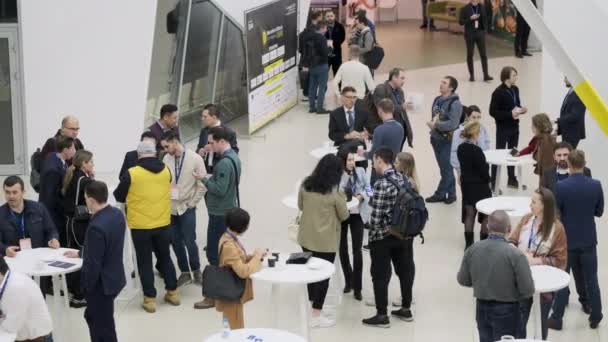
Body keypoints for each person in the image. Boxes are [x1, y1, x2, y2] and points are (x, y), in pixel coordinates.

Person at [113, 141, 180, 313]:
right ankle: (173, 292)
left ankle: (150, 299)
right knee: (165, 257)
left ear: (139, 154)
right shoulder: (166, 170)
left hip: (140, 226)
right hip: (163, 223)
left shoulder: (132, 173)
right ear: (155, 153)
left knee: (144, 262)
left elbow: (119, 195)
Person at [457, 210, 535, 342]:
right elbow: (528, 290)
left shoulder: (472, 250)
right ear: (509, 229)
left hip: (481, 308)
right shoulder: (516, 255)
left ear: (487, 226)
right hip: (508, 311)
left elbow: (463, 280)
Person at [64, 181, 126, 342]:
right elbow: (107, 247)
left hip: (101, 287)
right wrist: (81, 253)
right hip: (115, 279)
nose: (85, 202)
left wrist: (85, 289)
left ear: (91, 200)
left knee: (102, 330)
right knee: (97, 318)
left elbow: (93, 266)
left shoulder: (96, 226)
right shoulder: (117, 214)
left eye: (85, 199)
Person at [550, 150, 604, 330]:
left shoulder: (561, 186)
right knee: (592, 280)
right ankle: (595, 315)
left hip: (567, 241)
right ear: (584, 163)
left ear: (570, 165)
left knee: (563, 279)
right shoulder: (596, 185)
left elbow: (557, 213)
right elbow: (599, 211)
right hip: (588, 240)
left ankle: (557, 318)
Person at [362, 147, 415, 328]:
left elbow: (375, 219)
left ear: (378, 160)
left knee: (380, 275)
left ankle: (382, 315)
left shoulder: (381, 184)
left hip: (383, 238)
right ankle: (406, 309)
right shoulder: (405, 178)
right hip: (404, 235)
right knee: (405, 271)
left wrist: (371, 230)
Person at [298, 154, 349, 328]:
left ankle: (310, 304)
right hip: (326, 241)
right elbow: (344, 215)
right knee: (323, 276)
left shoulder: (306, 184)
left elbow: (300, 206)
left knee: (309, 273)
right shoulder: (336, 191)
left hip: (305, 236)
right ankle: (316, 314)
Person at [508, 188, 567, 340]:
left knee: (541, 323)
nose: (530, 205)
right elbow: (511, 240)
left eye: (534, 202)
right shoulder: (526, 219)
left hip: (544, 284)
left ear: (544, 205)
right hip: (521, 280)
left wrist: (537, 260)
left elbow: (561, 261)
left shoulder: (557, 228)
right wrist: (514, 250)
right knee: (519, 322)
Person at [193, 126, 241, 310]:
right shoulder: (235, 159)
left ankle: (212, 296)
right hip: (228, 209)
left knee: (214, 254)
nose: (209, 146)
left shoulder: (223, 164)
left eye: (212, 142)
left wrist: (204, 179)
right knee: (226, 252)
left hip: (219, 213)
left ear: (222, 141)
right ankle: (226, 290)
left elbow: (220, 190)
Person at [160, 131, 206, 286]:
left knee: (189, 241)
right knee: (176, 241)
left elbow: (202, 185)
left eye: (167, 146)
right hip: (171, 208)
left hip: (187, 208)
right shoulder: (166, 159)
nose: (165, 150)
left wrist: (192, 204)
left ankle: (196, 270)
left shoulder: (195, 159)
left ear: (174, 142)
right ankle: (185, 272)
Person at [215, 208, 265, 329]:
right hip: (232, 293)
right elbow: (243, 272)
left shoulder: (227, 237)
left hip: (229, 292)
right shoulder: (229, 245)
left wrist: (254, 257)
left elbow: (236, 260)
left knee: (229, 326)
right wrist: (257, 257)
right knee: (235, 328)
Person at [62, 149, 95, 308]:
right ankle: (78, 295)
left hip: (70, 221)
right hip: (80, 223)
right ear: (84, 163)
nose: (93, 164)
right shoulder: (85, 181)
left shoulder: (73, 174)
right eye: (91, 162)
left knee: (73, 254)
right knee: (80, 256)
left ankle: (74, 289)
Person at [337, 147, 371, 301]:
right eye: (349, 160)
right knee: (342, 248)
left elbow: (370, 190)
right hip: (342, 214)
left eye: (353, 159)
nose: (352, 163)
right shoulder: (337, 176)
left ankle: (358, 287)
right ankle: (348, 280)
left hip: (357, 214)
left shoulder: (361, 172)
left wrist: (362, 196)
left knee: (357, 250)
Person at [0, 176, 59, 257]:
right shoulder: (1, 214)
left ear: (23, 192)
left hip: (38, 257)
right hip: (14, 259)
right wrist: (5, 249)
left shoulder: (39, 208)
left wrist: (53, 239)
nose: (11, 196)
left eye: (14, 192)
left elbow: (51, 230)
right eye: (7, 192)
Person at [426, 76, 463, 204]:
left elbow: (453, 124)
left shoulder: (456, 104)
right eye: (441, 81)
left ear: (451, 88)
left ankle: (440, 194)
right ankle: (452, 194)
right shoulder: (437, 99)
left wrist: (436, 125)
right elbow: (434, 116)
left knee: (446, 169)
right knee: (444, 168)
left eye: (444, 83)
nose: (441, 84)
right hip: (436, 139)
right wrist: (433, 125)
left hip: (448, 141)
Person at [490, 66, 528, 189]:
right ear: (506, 77)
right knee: (499, 154)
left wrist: (521, 109)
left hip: (515, 127)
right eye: (514, 75)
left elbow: (516, 104)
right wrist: (509, 114)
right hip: (503, 128)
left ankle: (512, 179)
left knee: (513, 152)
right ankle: (493, 181)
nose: (516, 77)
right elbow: (493, 112)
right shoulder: (498, 92)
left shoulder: (515, 89)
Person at [0, 256, 53, 341]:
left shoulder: (16, 287)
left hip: (36, 338)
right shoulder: (8, 278)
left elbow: (12, 326)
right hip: (22, 332)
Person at [457, 122, 492, 249]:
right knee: (486, 215)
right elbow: (483, 172)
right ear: (476, 134)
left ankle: (469, 244)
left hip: (467, 185)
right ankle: (483, 244)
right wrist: (489, 179)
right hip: (481, 187)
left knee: (469, 213)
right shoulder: (477, 151)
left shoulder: (461, 148)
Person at [39, 136, 77, 246]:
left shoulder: (55, 157)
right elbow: (51, 198)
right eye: (73, 149)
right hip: (53, 215)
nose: (75, 152)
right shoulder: (53, 171)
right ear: (66, 150)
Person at [359, 99, 404, 185]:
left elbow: (373, 154)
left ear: (380, 110)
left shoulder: (379, 130)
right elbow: (389, 138)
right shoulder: (400, 127)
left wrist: (363, 153)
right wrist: (370, 136)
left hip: (379, 170)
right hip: (394, 167)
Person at [370, 68, 413, 150]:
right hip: (387, 132)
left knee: (396, 160)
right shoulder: (381, 89)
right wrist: (402, 107)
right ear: (394, 77)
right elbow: (382, 108)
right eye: (402, 78)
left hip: (400, 131)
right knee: (384, 158)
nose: (403, 81)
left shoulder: (400, 91)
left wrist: (408, 131)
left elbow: (402, 113)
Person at [196, 104, 239, 174]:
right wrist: (199, 151)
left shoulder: (229, 132)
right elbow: (199, 147)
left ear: (214, 117)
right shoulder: (204, 131)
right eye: (202, 116)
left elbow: (234, 153)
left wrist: (216, 149)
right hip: (204, 170)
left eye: (205, 117)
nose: (202, 119)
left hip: (220, 170)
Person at [516, 113, 556, 187]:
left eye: (533, 125)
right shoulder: (540, 138)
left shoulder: (545, 141)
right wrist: (519, 153)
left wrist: (542, 188)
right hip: (545, 174)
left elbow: (547, 166)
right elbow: (531, 148)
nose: (531, 127)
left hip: (547, 177)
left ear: (538, 127)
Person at [450, 105, 491, 176]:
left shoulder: (482, 129)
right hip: (464, 170)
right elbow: (454, 153)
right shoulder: (458, 132)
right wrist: (459, 171)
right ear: (467, 117)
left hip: (481, 167)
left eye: (478, 117)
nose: (476, 120)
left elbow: (486, 145)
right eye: (474, 117)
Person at [459, 0, 493, 82]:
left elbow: (485, 18)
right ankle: (472, 75)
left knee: (483, 55)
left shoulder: (482, 7)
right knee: (470, 54)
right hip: (469, 34)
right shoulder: (464, 8)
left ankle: (486, 75)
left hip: (480, 33)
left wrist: (485, 30)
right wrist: (470, 18)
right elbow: (461, 22)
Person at [304, 21, 330, 114]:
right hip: (322, 65)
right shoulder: (322, 38)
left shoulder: (310, 37)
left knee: (312, 86)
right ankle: (319, 108)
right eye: (325, 28)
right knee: (322, 87)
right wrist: (329, 50)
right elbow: (324, 53)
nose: (326, 30)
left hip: (312, 65)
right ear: (322, 28)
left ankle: (312, 107)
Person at [298, 11, 323, 99]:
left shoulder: (304, 32)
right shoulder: (315, 31)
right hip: (311, 58)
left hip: (305, 57)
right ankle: (309, 94)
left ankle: (307, 93)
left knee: (307, 76)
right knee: (310, 77)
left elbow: (300, 47)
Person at [557, 77, 587, 148]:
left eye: (566, 78)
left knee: (569, 156)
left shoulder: (579, 93)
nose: (564, 80)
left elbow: (575, 115)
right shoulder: (571, 91)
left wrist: (558, 120)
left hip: (573, 132)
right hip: (567, 130)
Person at [325, 10, 345, 76]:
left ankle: (338, 86)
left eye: (331, 16)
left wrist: (333, 43)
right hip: (325, 55)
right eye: (328, 16)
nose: (330, 18)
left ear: (334, 16)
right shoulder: (322, 27)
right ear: (325, 17)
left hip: (336, 54)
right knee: (324, 75)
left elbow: (342, 38)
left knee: (338, 75)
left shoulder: (340, 26)